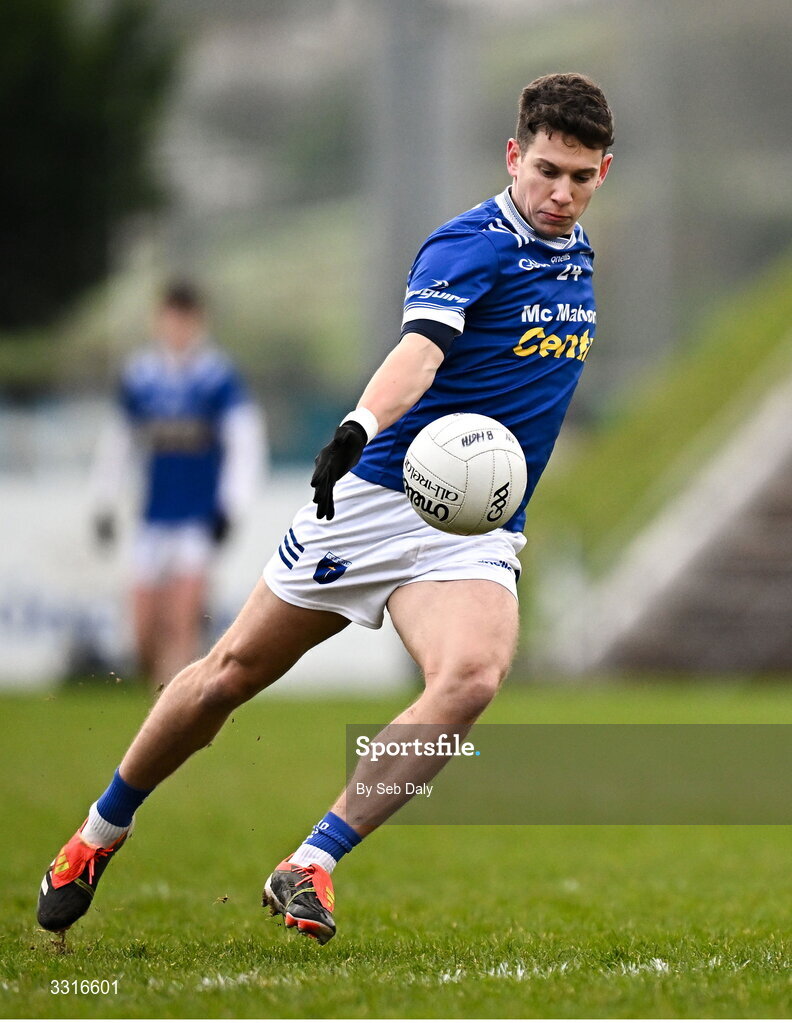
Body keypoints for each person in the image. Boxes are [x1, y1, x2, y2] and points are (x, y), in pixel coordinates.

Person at [37, 74, 613, 944]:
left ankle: (311, 859)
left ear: (604, 169)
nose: (562, 192)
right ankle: (96, 835)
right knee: (227, 675)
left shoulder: (579, 256)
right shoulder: (469, 245)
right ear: (511, 156)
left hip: (475, 527)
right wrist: (360, 422)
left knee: (471, 679)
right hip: (380, 498)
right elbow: (420, 353)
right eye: (546, 170)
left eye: (581, 175)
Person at [90, 281, 263, 690]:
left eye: (185, 319)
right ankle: (158, 694)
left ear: (199, 322)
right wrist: (104, 501)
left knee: (182, 619)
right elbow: (119, 443)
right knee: (143, 627)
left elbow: (245, 443)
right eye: (171, 318)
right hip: (152, 516)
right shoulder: (141, 376)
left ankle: (173, 705)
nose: (178, 328)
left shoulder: (217, 378)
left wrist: (231, 507)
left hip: (196, 518)